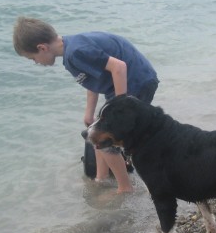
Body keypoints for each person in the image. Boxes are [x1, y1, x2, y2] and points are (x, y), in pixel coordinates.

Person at [13, 17, 159, 193]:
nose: (36, 62)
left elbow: (119, 67)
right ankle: (101, 178)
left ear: (42, 48)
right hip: (127, 84)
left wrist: (121, 108)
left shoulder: (76, 52)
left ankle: (125, 188)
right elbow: (93, 82)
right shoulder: (70, 51)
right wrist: (89, 115)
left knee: (106, 138)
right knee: (94, 132)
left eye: (33, 58)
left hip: (137, 82)